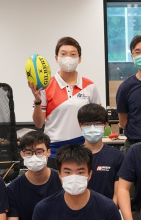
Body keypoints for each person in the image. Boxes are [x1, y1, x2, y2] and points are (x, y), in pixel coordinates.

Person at [29, 36, 101, 168]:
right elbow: (39, 123)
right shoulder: (46, 86)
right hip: (54, 151)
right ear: (56, 58)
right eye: (63, 54)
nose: (68, 58)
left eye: (73, 54)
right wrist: (37, 100)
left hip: (82, 149)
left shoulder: (90, 86)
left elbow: (99, 121)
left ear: (79, 59)